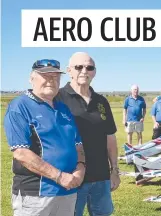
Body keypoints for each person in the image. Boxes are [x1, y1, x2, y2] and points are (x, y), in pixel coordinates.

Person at [5, 59, 85, 216]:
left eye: (55, 77)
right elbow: (21, 153)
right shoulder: (20, 106)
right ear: (32, 78)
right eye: (45, 76)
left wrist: (81, 168)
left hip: (68, 190)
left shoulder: (63, 109)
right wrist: (59, 176)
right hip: (36, 195)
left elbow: (78, 144)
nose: (51, 80)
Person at [55, 52, 119, 216]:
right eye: (79, 67)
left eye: (89, 67)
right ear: (69, 71)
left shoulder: (101, 102)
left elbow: (110, 137)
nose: (84, 71)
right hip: (72, 177)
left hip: (101, 177)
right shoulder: (57, 98)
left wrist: (114, 170)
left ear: (94, 72)